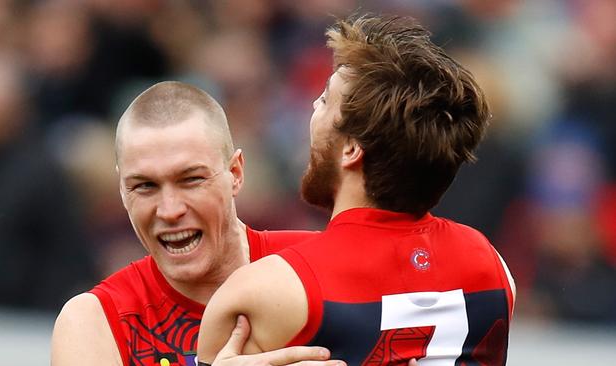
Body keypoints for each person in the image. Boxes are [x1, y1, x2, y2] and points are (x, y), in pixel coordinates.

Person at [198, 14, 516, 365]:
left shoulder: (261, 292)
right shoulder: (493, 268)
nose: (312, 108)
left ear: (351, 149)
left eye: (324, 99)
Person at [50, 81, 344, 366]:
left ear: (236, 173)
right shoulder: (95, 322)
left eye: (191, 180)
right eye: (145, 186)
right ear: (122, 192)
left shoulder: (320, 266)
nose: (170, 210)